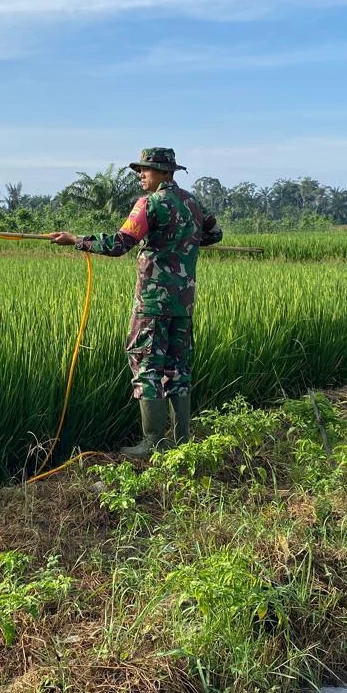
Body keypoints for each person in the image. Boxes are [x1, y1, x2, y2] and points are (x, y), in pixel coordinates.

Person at [51, 147, 222, 459]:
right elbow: (215, 234)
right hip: (183, 304)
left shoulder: (150, 203)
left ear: (162, 172)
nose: (141, 176)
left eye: (145, 170)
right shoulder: (193, 203)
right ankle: (182, 440)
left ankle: (153, 444)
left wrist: (76, 240)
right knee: (178, 368)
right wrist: (184, 241)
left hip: (153, 304)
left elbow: (119, 244)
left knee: (147, 365)